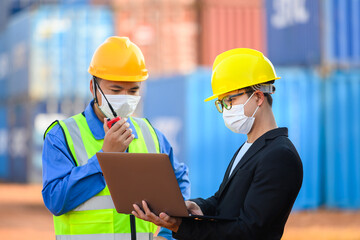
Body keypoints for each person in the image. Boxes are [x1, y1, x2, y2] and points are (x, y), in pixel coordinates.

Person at [132, 48, 303, 240]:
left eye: (231, 99)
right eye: (222, 103)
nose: (226, 110)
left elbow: (250, 231)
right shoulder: (250, 147)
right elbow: (225, 203)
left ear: (258, 97)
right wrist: (197, 207)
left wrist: (182, 227)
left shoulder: (280, 156)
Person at [42, 36, 190, 240]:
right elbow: (55, 200)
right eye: (116, 90)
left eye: (133, 90)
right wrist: (105, 158)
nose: (125, 96)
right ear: (94, 88)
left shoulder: (150, 134)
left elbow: (179, 180)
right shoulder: (63, 136)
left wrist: (168, 233)